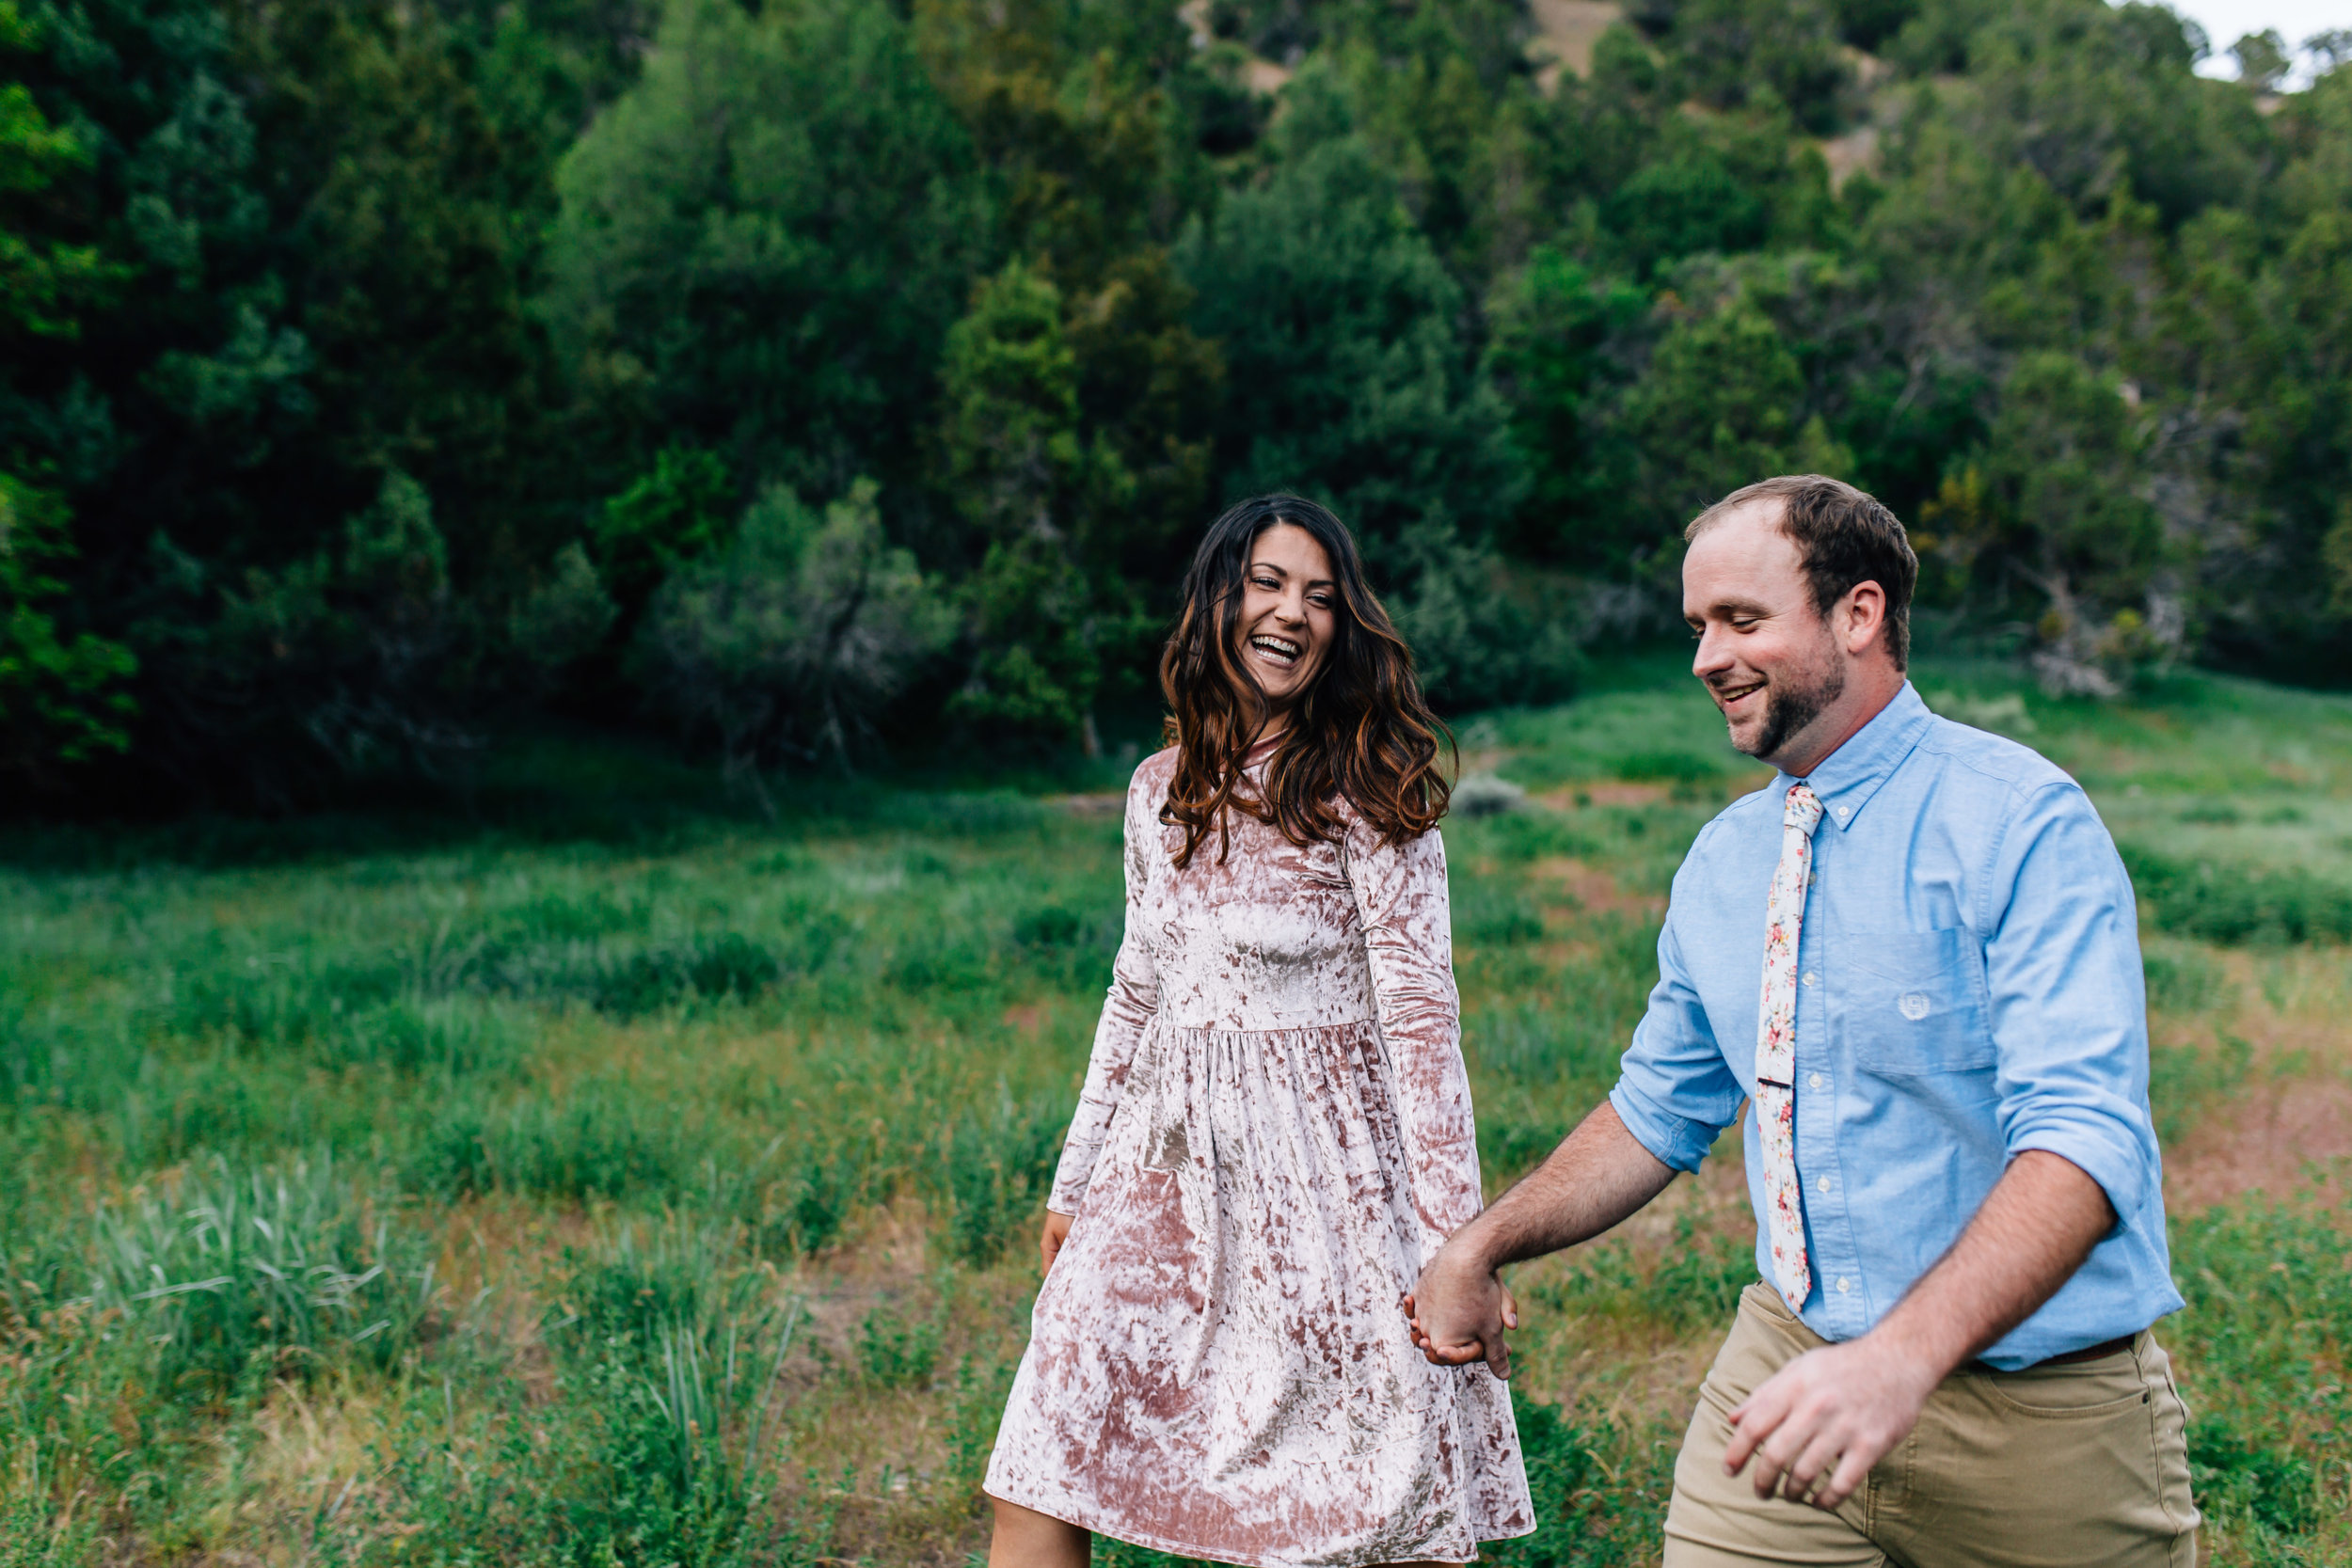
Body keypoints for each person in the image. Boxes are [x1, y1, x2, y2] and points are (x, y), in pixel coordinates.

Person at [1406, 475, 2198, 1567]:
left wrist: (1898, 1361)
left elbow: (2084, 1137)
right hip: (1789, 1374)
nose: (1704, 657)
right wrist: (1481, 1243)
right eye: (1696, 627)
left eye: (1740, 619)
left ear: (1856, 614)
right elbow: (1656, 1109)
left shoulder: (2019, 820)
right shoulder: (1725, 862)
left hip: (2042, 1419)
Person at [983, 496, 1534, 1568]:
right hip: (1161, 1174)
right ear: (1217, 600)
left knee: (1362, 1503)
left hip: (1321, 1185)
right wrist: (1073, 1177)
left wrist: (1458, 1241)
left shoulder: (1364, 794)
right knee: (1043, 1453)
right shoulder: (1157, 790)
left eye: (1321, 596)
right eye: (1268, 583)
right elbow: (1134, 990)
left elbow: (1422, 1026)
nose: (1293, 613)